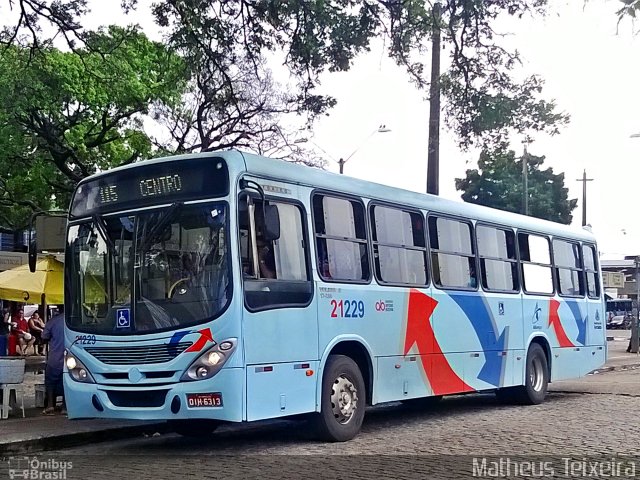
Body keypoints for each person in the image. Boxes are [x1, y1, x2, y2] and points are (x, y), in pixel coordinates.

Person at [41, 305, 65, 415]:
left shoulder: (53, 321)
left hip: (55, 356)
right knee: (67, 381)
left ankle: (50, 405)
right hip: (72, 357)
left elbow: (44, 336)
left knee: (50, 381)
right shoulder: (74, 321)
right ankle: (65, 405)